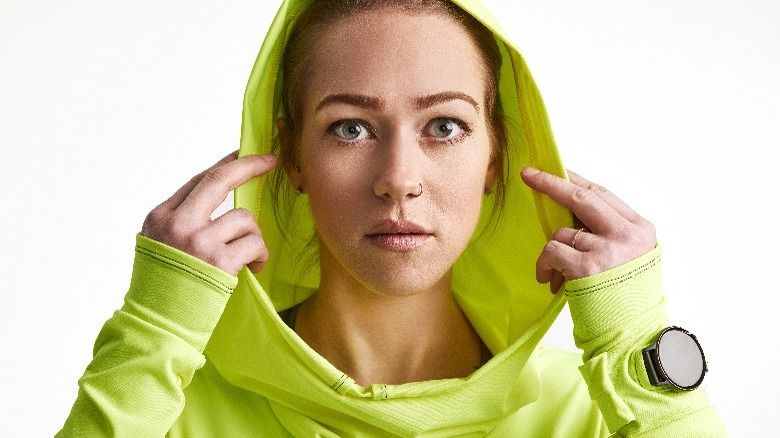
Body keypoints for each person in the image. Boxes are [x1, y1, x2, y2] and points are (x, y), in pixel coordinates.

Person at [58, 0, 726, 436]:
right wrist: (153, 327)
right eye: (349, 127)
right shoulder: (167, 403)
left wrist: (641, 342)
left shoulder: (594, 409)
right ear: (290, 155)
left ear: (496, 154)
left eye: (444, 125)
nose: (398, 179)